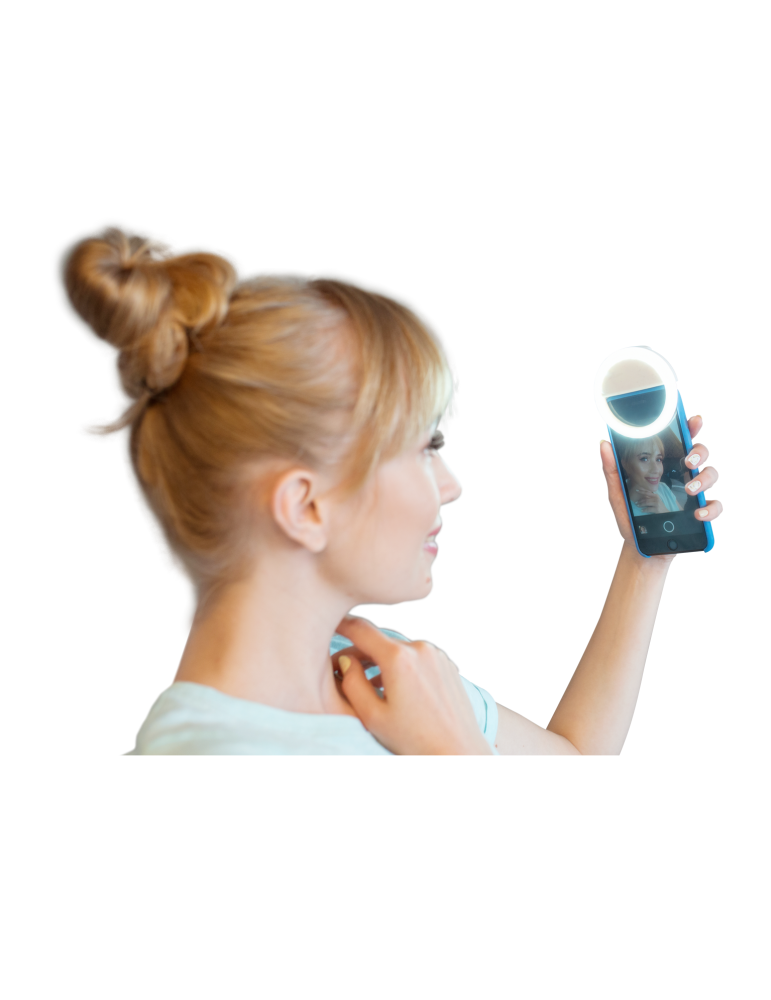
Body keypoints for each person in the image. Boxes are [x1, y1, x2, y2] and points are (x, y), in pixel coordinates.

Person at [64, 229, 724, 755]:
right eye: (423, 447)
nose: (452, 485)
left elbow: (574, 752)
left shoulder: (383, 672)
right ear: (305, 506)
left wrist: (643, 559)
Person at [617, 435, 683, 516]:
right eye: (644, 459)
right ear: (626, 464)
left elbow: (686, 521)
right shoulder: (620, 508)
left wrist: (665, 512)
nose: (656, 470)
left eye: (658, 459)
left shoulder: (663, 487)